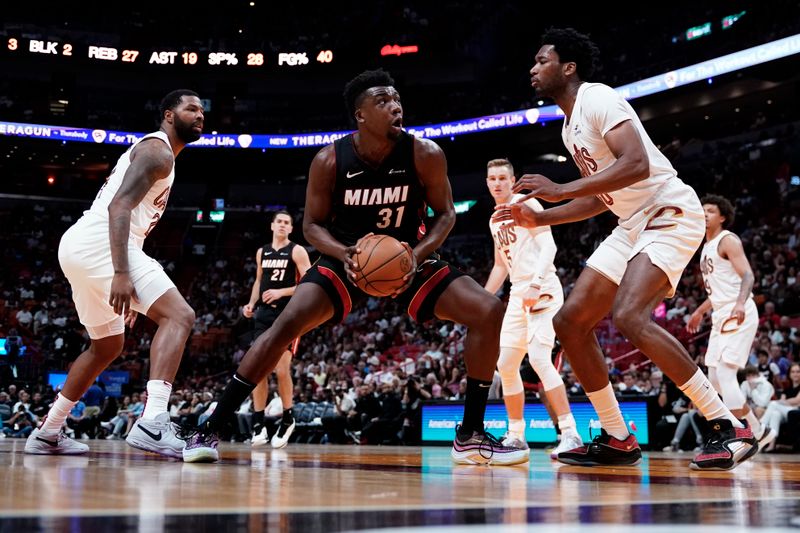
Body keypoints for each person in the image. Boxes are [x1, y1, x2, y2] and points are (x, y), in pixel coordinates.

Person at [182, 69, 525, 466]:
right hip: (344, 259)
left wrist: (416, 255)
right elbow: (310, 225)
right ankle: (213, 427)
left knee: (488, 311)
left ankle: (470, 434)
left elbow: (446, 215)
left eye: (396, 98)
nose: (395, 106)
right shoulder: (330, 160)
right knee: (284, 325)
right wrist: (344, 253)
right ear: (360, 115)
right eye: (382, 101)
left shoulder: (424, 154)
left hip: (407, 257)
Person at [494, 28, 756, 470]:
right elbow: (602, 195)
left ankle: (728, 426)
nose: (533, 68)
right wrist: (541, 217)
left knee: (630, 315)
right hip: (631, 222)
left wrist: (559, 190)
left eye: (542, 60)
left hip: (668, 209)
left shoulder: (598, 98)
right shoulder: (568, 127)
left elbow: (636, 164)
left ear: (568, 66)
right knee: (570, 322)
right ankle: (617, 435)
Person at [25, 90, 204, 458]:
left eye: (203, 109)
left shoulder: (158, 154)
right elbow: (120, 206)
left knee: (107, 345)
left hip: (80, 247)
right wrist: (122, 273)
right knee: (180, 315)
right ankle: (153, 422)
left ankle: (48, 431)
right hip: (102, 244)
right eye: (191, 108)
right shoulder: (158, 152)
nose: (200, 114)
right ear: (169, 115)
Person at [484, 158, 582, 460]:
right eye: (492, 179)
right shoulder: (494, 219)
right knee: (506, 364)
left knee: (540, 359)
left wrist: (536, 284)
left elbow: (549, 247)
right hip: (517, 293)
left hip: (543, 288)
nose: (497, 183)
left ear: (513, 180)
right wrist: (482, 300)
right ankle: (516, 435)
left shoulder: (528, 204)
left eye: (502, 177)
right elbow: (501, 265)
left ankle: (570, 434)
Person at [686, 195, 770, 443]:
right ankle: (757, 430)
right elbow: (720, 289)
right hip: (721, 313)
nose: (704, 214)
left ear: (722, 217)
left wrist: (741, 303)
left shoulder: (728, 240)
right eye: (702, 210)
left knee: (725, 374)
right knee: (715, 379)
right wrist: (700, 311)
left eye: (710, 211)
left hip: (737, 311)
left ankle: (738, 435)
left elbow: (747, 276)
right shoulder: (706, 247)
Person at [242, 210, 311, 448]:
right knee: (258, 369)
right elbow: (259, 281)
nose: (282, 225)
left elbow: (310, 283)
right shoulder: (262, 252)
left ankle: (288, 417)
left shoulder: (297, 250)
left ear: (291, 228)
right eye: (279, 221)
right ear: (272, 226)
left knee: (281, 369)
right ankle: (259, 423)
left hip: (288, 315)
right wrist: (251, 303)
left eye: (287, 222)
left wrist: (282, 291)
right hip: (263, 316)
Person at [759, 363, 800, 451]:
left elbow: (797, 400)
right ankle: (771, 445)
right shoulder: (787, 388)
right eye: (793, 372)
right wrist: (784, 402)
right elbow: (782, 401)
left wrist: (783, 402)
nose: (795, 374)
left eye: (798, 372)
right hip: (784, 412)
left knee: (773, 404)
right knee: (775, 414)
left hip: (795, 412)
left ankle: (759, 428)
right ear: (789, 374)